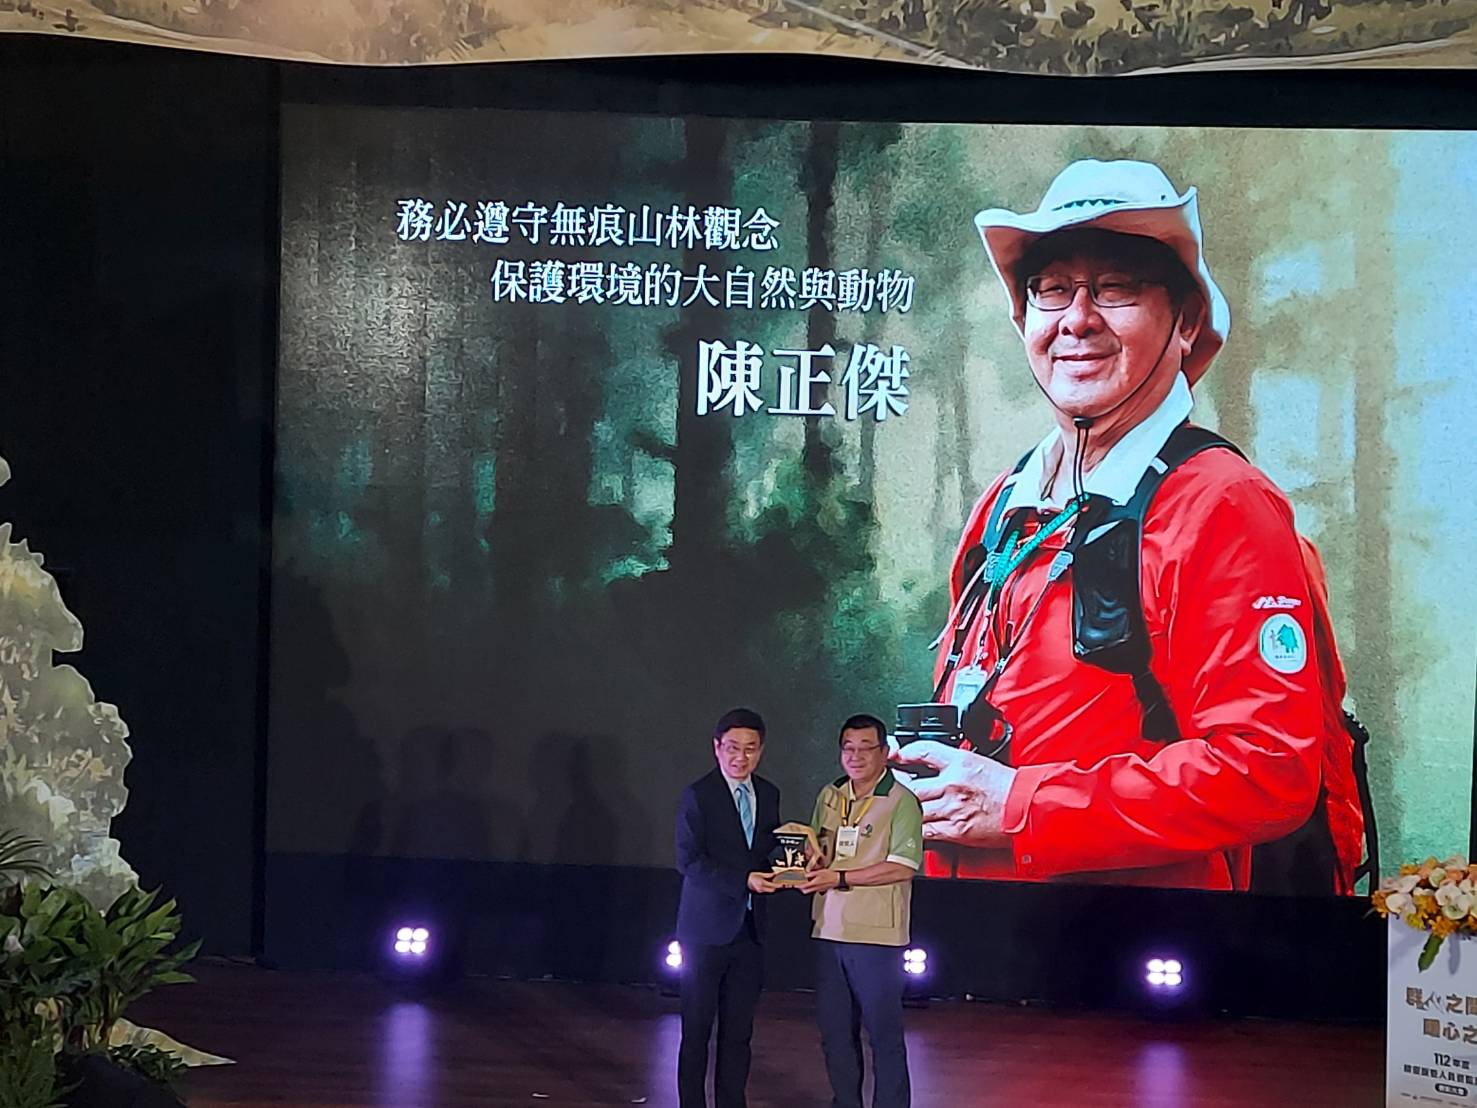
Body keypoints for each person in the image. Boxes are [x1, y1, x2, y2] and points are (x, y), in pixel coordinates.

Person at [890, 158, 1363, 891]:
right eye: (1051, 289)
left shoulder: (1221, 502)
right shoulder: (1004, 503)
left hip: (1133, 945)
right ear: (1024, 321)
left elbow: (1267, 768)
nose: (1077, 318)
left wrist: (1020, 805)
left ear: (1186, 322)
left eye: (1115, 288)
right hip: (980, 935)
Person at [801, 713, 922, 1108]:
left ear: (884, 753)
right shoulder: (830, 795)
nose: (855, 757)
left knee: (884, 1036)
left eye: (866, 748)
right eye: (848, 748)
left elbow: (903, 866)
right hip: (828, 929)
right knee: (835, 1034)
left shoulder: (902, 800)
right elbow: (817, 849)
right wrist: (807, 863)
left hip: (876, 936)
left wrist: (838, 876)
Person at [674, 707, 781, 1108]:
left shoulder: (768, 793)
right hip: (705, 932)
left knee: (739, 1034)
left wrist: (795, 859)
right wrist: (744, 880)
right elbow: (689, 861)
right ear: (716, 748)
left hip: (751, 932)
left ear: (761, 750)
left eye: (750, 748)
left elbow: (768, 849)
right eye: (733, 747)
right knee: (697, 1031)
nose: (741, 757)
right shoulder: (698, 795)